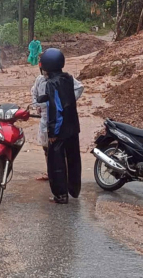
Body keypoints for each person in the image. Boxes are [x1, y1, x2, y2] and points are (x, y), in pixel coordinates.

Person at [32, 53, 83, 182]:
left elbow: (79, 88)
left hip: (59, 117)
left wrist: (66, 101)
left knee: (59, 148)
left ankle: (61, 177)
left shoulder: (63, 79)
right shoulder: (40, 80)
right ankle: (51, 172)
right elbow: (34, 93)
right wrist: (36, 106)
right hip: (45, 118)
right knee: (46, 147)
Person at [41, 48, 82, 204]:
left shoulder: (51, 83)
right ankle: (74, 190)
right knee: (73, 159)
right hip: (73, 126)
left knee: (56, 162)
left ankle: (60, 195)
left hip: (60, 129)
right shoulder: (68, 78)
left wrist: (52, 132)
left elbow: (56, 109)